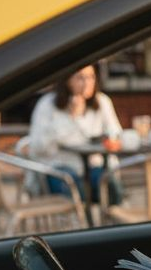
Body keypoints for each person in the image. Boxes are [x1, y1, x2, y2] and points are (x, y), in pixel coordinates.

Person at [27, 64, 123, 203]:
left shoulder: (102, 101)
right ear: (66, 80)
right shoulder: (47, 105)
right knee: (74, 186)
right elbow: (38, 147)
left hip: (94, 165)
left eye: (91, 77)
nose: (87, 83)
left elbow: (115, 133)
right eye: (80, 78)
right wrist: (74, 116)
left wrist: (109, 138)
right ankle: (84, 222)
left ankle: (112, 221)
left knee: (110, 185)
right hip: (59, 168)